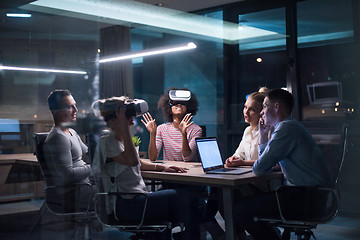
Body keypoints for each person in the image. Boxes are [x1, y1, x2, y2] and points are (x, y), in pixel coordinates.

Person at [91, 96, 200, 239]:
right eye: (126, 116)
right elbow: (131, 161)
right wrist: (124, 127)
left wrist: (162, 168)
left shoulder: (121, 141)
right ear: (113, 120)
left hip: (137, 200)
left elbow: (138, 162)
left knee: (187, 206)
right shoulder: (107, 142)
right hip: (124, 205)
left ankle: (173, 235)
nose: (131, 118)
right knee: (184, 197)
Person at [234, 89, 331, 240]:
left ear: (276, 107)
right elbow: (263, 164)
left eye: (265, 106)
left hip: (305, 198)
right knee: (247, 203)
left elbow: (260, 168)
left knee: (240, 210)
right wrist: (264, 135)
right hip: (312, 195)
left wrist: (263, 138)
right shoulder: (291, 127)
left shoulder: (286, 129)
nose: (261, 112)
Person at [43, 89, 96, 211]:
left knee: (117, 186)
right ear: (56, 112)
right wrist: (94, 167)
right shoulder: (58, 137)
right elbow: (67, 175)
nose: (75, 110)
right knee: (115, 192)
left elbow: (89, 154)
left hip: (84, 186)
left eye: (75, 105)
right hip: (74, 192)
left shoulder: (71, 132)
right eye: (69, 107)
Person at [141, 88, 202, 162]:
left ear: (188, 107)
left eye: (183, 103)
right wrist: (152, 134)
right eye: (175, 102)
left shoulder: (196, 130)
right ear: (169, 107)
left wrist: (184, 134)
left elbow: (187, 158)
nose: (179, 104)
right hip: (170, 170)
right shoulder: (161, 128)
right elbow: (153, 158)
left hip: (189, 172)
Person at [226, 87, 268, 167]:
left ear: (262, 112)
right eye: (245, 107)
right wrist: (232, 159)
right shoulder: (247, 131)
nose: (246, 112)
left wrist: (242, 162)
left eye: (252, 109)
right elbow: (239, 154)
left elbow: (267, 161)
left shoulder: (267, 131)